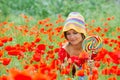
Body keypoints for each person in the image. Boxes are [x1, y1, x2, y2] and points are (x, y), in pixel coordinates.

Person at [58, 12, 96, 80]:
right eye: (68, 34)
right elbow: (60, 73)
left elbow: (102, 69)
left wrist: (92, 67)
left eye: (75, 33)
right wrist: (63, 66)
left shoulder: (90, 48)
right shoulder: (64, 50)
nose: (72, 37)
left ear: (82, 33)